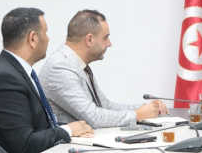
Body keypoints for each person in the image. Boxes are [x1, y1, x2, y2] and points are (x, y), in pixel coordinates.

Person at [0, 8, 93, 153]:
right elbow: (25, 145)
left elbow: (39, 125)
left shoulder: (15, 71)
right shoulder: (4, 79)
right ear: (33, 38)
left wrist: (72, 128)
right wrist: (68, 130)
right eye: (46, 32)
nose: (48, 39)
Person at [39, 10, 168, 128]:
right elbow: (94, 117)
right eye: (105, 37)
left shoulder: (77, 65)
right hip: (68, 144)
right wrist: (137, 114)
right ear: (89, 39)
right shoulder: (61, 67)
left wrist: (147, 108)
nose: (109, 44)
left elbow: (105, 106)